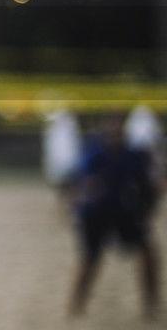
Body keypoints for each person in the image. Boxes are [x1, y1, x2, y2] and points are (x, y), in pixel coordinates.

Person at [67, 112, 161, 319]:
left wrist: (147, 208)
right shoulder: (93, 152)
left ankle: (150, 308)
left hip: (122, 212)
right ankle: (75, 307)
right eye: (112, 125)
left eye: (120, 125)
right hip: (96, 214)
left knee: (148, 254)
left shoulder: (133, 155)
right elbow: (82, 185)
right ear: (105, 128)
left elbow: (147, 187)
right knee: (90, 261)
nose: (116, 130)